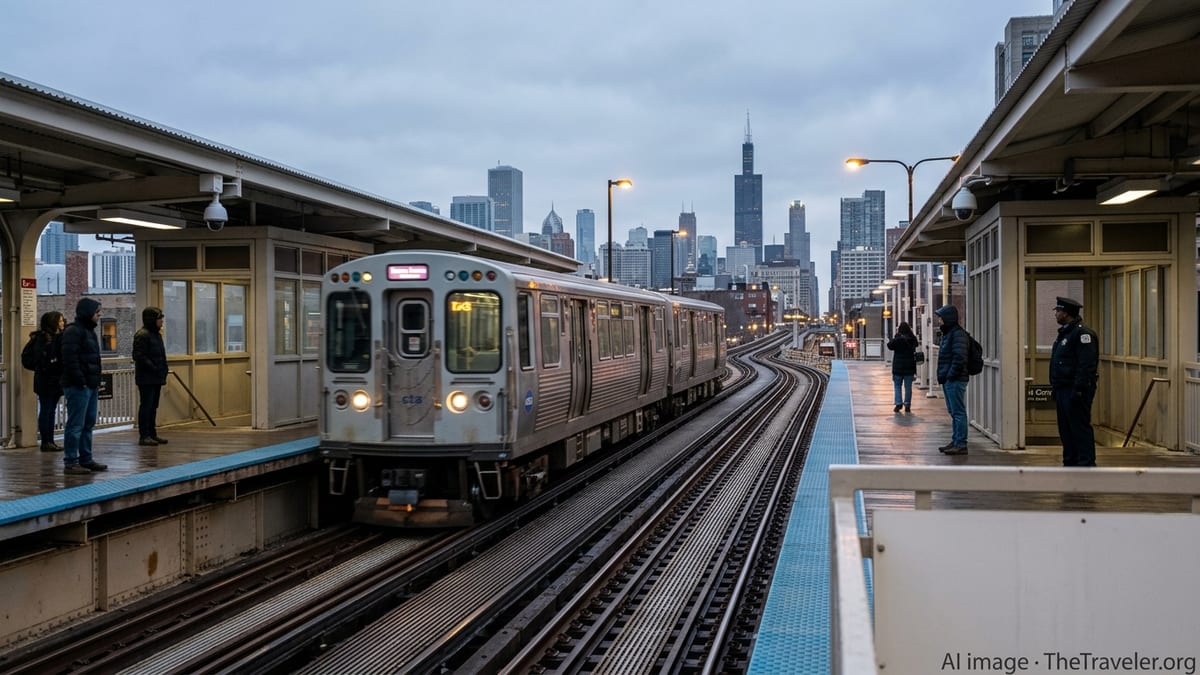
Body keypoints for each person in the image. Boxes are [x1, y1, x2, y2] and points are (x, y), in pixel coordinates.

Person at [60, 297, 107, 474]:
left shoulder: (89, 331)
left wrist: (93, 381)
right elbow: (69, 359)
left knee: (88, 423)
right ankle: (71, 461)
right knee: (76, 424)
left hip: (90, 384)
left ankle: (86, 458)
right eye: (96, 312)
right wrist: (81, 380)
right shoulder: (74, 332)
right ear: (88, 313)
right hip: (78, 385)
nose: (99, 315)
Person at [1050, 296, 1099, 467]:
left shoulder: (1082, 334)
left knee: (1079, 426)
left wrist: (1079, 389)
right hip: (1063, 388)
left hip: (1075, 389)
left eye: (1058, 310)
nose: (1056, 314)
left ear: (1066, 313)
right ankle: (1070, 460)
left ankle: (1085, 462)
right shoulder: (1066, 333)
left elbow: (1086, 365)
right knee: (1066, 428)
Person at [934, 305, 970, 455]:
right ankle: (956, 440)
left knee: (958, 412)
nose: (939, 321)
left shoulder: (957, 335)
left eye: (941, 318)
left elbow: (959, 357)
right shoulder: (949, 334)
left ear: (948, 318)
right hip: (950, 378)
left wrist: (950, 375)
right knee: (954, 412)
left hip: (955, 379)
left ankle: (961, 443)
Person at [132, 306, 170, 446]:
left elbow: (161, 355)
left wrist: (163, 368)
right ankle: (144, 435)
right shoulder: (142, 335)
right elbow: (139, 356)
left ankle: (152, 433)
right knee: (146, 406)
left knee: (153, 406)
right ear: (152, 319)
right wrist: (155, 368)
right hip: (146, 377)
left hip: (155, 376)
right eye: (159, 318)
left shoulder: (156, 335)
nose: (161, 321)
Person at [30, 311, 66, 451]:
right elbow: (42, 360)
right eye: (60, 320)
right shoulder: (45, 339)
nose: (63, 323)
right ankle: (46, 441)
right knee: (47, 410)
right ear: (53, 322)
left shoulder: (48, 337)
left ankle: (49, 441)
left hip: (50, 380)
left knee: (50, 410)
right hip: (47, 380)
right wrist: (48, 368)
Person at [886, 321, 919, 413]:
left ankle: (898, 403)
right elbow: (916, 344)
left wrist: (896, 336)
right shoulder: (912, 338)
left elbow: (889, 346)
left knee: (897, 386)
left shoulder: (898, 339)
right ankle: (907, 404)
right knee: (908, 387)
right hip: (910, 366)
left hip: (898, 366)